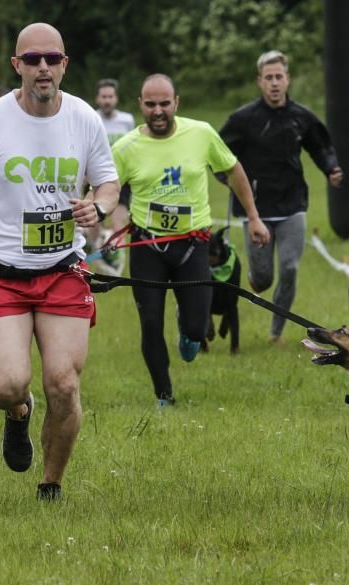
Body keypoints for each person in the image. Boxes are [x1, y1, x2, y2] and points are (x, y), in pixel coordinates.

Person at [0, 22, 120, 501]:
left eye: (52, 59)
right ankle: (18, 414)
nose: (43, 67)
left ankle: (51, 485)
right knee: (7, 385)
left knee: (63, 383)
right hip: (2, 274)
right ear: (16, 66)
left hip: (63, 269)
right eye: (33, 59)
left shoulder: (84, 118)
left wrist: (98, 207)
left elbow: (107, 183)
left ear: (64, 64)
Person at [112, 74, 270, 407]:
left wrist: (253, 217)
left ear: (176, 103)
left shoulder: (200, 133)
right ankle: (164, 395)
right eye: (151, 104)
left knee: (199, 329)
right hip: (147, 246)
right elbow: (106, 187)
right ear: (140, 105)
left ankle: (189, 330)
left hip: (193, 245)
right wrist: (95, 210)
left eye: (164, 104)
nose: (158, 111)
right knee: (151, 322)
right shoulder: (125, 147)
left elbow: (233, 170)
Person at [219, 50, 343, 344]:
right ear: (259, 82)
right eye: (268, 78)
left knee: (290, 268)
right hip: (256, 210)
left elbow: (320, 146)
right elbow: (220, 154)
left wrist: (331, 168)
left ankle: (276, 332)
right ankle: (257, 276)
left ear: (287, 80)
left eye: (279, 77)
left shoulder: (301, 117)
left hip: (292, 205)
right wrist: (226, 178)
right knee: (263, 279)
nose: (274, 83)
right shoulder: (242, 119)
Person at [92, 79, 136, 270]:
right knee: (94, 218)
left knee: (119, 221)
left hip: (122, 178)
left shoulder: (127, 120)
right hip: (96, 178)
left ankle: (116, 260)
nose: (107, 100)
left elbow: (134, 146)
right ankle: (95, 253)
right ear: (97, 98)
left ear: (116, 98)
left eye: (110, 96)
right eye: (103, 97)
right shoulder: (91, 118)